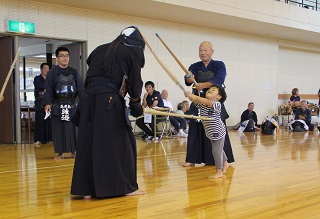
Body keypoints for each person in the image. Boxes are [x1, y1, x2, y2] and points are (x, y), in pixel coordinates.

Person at [71, 26, 146, 199]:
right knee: (122, 144)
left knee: (89, 142)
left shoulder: (100, 49)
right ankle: (125, 187)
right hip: (109, 101)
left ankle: (86, 190)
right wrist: (136, 105)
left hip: (88, 100)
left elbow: (91, 76)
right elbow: (135, 84)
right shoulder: (132, 52)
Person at [183, 41, 234, 167]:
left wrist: (204, 85)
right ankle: (192, 159)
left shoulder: (219, 65)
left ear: (212, 52)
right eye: (200, 50)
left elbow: (219, 79)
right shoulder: (195, 65)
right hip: (198, 100)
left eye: (206, 50)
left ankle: (222, 160)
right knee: (195, 128)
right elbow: (188, 79)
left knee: (217, 128)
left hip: (213, 102)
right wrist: (189, 78)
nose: (203, 52)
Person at [43, 47, 84, 160]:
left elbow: (80, 89)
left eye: (67, 55)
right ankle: (60, 153)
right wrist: (47, 103)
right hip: (57, 104)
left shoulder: (75, 72)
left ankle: (74, 151)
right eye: (62, 55)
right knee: (58, 129)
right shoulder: (52, 73)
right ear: (57, 58)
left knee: (73, 129)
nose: (65, 58)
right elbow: (48, 89)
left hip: (72, 104)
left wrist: (85, 103)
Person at [185, 85, 229, 178]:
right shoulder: (203, 104)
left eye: (213, 90)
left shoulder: (217, 104)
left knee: (216, 151)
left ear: (218, 97)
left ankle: (219, 171)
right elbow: (197, 102)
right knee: (219, 149)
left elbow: (207, 102)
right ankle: (225, 163)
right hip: (209, 132)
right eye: (209, 89)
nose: (209, 90)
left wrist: (196, 97)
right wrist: (190, 96)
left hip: (218, 131)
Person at [33, 63, 52, 145]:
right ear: (41, 69)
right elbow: (40, 86)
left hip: (48, 102)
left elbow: (52, 88)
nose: (47, 70)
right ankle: (38, 139)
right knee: (40, 121)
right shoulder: (37, 78)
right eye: (45, 68)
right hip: (40, 102)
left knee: (48, 121)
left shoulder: (50, 79)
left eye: (48, 68)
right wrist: (47, 88)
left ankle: (48, 139)